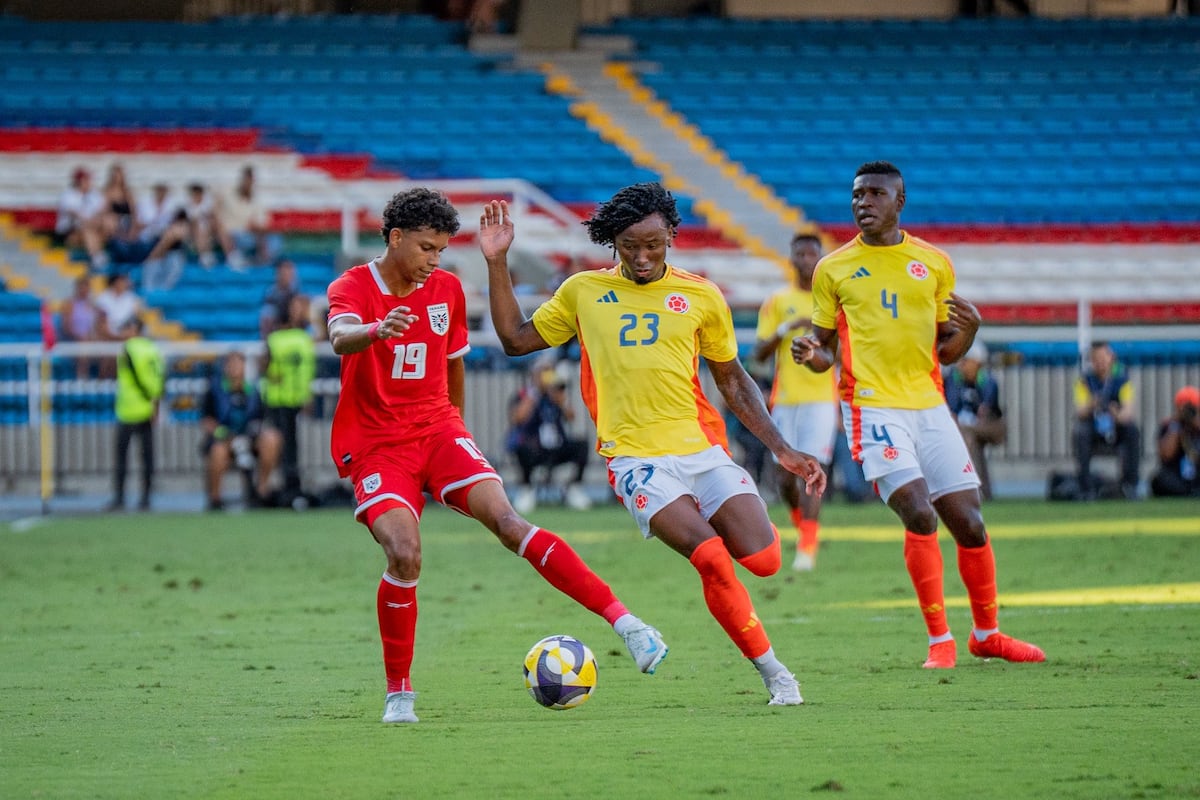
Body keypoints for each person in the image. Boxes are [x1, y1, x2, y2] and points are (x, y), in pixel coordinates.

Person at [325, 187, 666, 724]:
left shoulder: (447, 289)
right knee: (404, 554)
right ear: (395, 239)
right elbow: (340, 334)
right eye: (425, 249)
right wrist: (375, 330)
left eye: (440, 250)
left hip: (438, 431)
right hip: (377, 445)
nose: (434, 261)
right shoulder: (352, 286)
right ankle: (400, 693)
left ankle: (629, 625)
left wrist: (455, 430)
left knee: (508, 521)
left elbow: (453, 363)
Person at [481, 182, 827, 706]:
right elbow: (514, 339)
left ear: (671, 236)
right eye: (629, 247)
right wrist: (497, 262)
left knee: (764, 562)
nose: (642, 258)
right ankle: (777, 675)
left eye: (653, 246)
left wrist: (781, 447)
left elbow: (732, 380)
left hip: (702, 449)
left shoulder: (702, 296)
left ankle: (730, 518)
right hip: (636, 460)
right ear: (612, 243)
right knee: (711, 559)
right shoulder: (583, 292)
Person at [791, 160, 1045, 668]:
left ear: (899, 202)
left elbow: (945, 351)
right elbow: (822, 350)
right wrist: (810, 354)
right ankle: (940, 641)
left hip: (930, 407)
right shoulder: (833, 268)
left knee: (970, 523)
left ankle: (987, 634)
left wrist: (969, 335)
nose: (863, 202)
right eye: (857, 195)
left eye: (875, 194)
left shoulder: (933, 263)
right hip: (871, 408)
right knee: (919, 511)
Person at [753, 231, 839, 571]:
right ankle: (800, 524)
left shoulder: (829, 302)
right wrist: (787, 327)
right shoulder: (777, 301)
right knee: (785, 477)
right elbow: (758, 353)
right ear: (791, 259)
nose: (805, 261)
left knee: (813, 471)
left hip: (820, 399)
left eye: (811, 255)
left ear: (820, 260)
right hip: (785, 399)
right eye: (799, 255)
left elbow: (838, 352)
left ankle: (808, 545)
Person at [506, 356, 592, 513]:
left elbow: (571, 417)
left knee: (582, 445)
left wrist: (560, 399)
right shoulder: (525, 394)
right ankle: (527, 488)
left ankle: (573, 488)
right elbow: (518, 418)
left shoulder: (555, 396)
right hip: (534, 446)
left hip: (556, 446)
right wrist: (535, 392)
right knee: (521, 448)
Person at [200, 350, 281, 510]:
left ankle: (262, 490)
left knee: (272, 438)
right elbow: (206, 420)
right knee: (218, 451)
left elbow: (261, 418)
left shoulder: (253, 389)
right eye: (231, 364)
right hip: (225, 439)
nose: (235, 368)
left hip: (250, 438)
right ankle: (215, 499)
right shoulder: (215, 389)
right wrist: (223, 434)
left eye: (238, 364)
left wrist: (253, 432)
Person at [106, 317, 165, 512]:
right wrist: (154, 402)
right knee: (147, 456)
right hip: (148, 406)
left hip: (129, 408)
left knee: (122, 455)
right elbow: (160, 377)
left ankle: (120, 497)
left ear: (134, 329)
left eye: (125, 328)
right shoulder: (153, 349)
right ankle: (146, 498)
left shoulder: (129, 349)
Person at [262, 293, 316, 504]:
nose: (299, 310)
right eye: (295, 306)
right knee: (282, 446)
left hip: (297, 399)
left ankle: (292, 487)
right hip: (278, 401)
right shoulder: (275, 338)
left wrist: (306, 395)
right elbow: (266, 367)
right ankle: (279, 488)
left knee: (294, 447)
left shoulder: (304, 336)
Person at [1073, 341, 1141, 500]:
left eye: (1103, 358)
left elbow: (1127, 413)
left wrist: (1115, 413)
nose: (1100, 362)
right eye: (1096, 359)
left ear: (1111, 358)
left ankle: (1130, 486)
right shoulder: (1084, 382)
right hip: (1093, 427)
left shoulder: (1122, 381)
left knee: (1132, 431)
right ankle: (1086, 488)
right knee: (1080, 432)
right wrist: (1092, 404)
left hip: (1116, 427)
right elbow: (1080, 412)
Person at [943, 341, 1006, 501]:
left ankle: (969, 487)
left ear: (978, 362)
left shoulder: (987, 380)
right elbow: (952, 407)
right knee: (971, 441)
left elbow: (985, 411)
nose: (961, 364)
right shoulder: (953, 379)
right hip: (967, 429)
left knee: (967, 435)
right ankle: (981, 490)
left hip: (991, 427)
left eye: (966, 361)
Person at [217, 165, 281, 268]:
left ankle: (262, 261)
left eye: (250, 180)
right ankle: (236, 258)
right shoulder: (228, 194)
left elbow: (260, 223)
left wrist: (256, 228)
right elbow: (216, 210)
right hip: (233, 233)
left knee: (275, 239)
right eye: (246, 180)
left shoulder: (256, 200)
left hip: (249, 233)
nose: (248, 183)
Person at [54, 167, 109, 270]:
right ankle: (97, 255)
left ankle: (98, 254)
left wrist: (97, 220)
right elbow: (75, 214)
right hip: (69, 231)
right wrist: (92, 221)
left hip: (90, 228)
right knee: (87, 229)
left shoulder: (93, 194)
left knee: (107, 222)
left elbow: (103, 209)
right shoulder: (68, 195)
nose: (89, 182)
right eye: (87, 180)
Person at [1150, 385, 1200, 497]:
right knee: (1159, 480)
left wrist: (1195, 423)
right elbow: (1166, 455)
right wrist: (1176, 426)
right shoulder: (1169, 426)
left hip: (1197, 475)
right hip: (1176, 476)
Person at [60, 275, 101, 379]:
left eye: (86, 287)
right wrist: (79, 336)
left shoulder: (92, 305)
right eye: (82, 287)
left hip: (91, 339)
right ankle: (82, 378)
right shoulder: (69, 304)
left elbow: (98, 325)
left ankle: (103, 380)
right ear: (77, 288)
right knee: (83, 346)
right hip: (73, 340)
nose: (84, 290)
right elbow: (66, 327)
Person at [259, 257, 300, 339]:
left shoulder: (298, 291)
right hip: (277, 330)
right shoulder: (271, 293)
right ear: (278, 273)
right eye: (285, 271)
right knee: (267, 312)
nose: (288, 274)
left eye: (290, 271)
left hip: (296, 330)